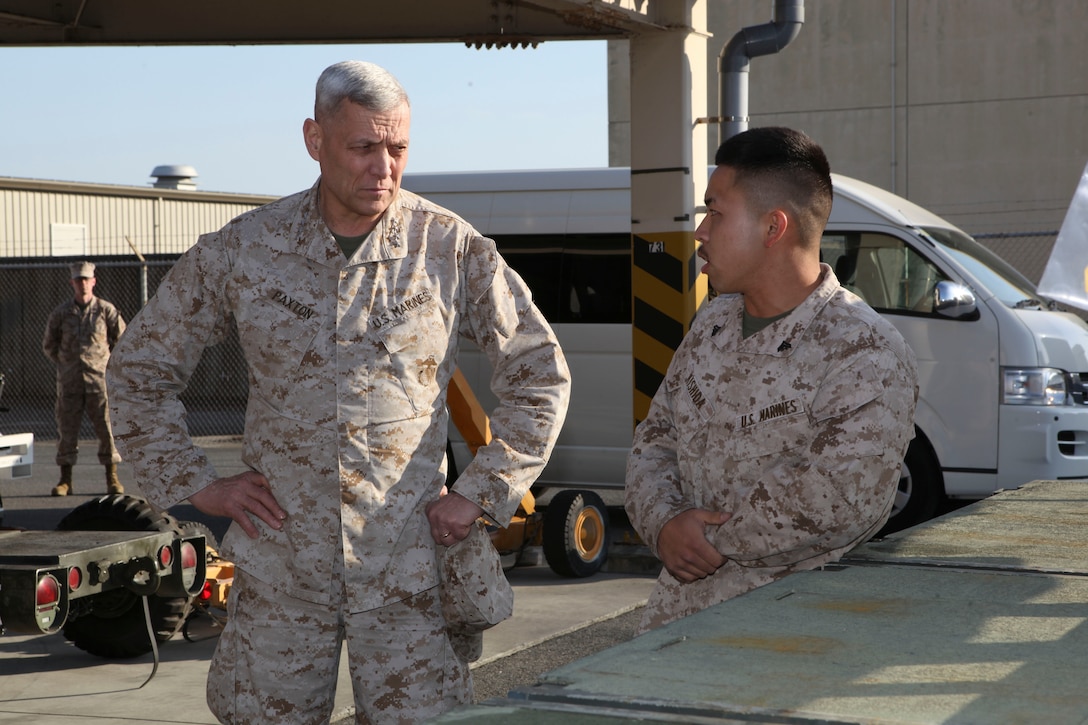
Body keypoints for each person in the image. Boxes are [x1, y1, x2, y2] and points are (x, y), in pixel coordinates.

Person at [106, 60, 570, 723]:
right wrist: (196, 482)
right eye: (363, 147)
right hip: (282, 569)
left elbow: (540, 373)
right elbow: (137, 371)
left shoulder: (448, 247)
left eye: (398, 148)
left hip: (410, 573)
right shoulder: (245, 250)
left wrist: (482, 493)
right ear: (315, 139)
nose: (384, 167)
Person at [624, 127, 919, 634]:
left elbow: (840, 497)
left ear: (773, 226)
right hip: (678, 623)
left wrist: (703, 541)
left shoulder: (861, 347)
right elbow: (653, 442)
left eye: (715, 213)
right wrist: (664, 525)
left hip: (794, 634)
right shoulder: (713, 324)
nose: (700, 232)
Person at [42, 261, 126, 496]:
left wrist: (109, 367)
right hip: (70, 382)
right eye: (78, 280)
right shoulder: (61, 314)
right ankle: (65, 481)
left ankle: (112, 478)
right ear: (72, 283)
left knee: (107, 429)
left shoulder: (105, 310)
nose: (83, 284)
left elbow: (123, 341)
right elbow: (49, 345)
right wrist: (66, 365)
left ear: (94, 281)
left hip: (99, 381)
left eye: (86, 279)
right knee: (67, 431)